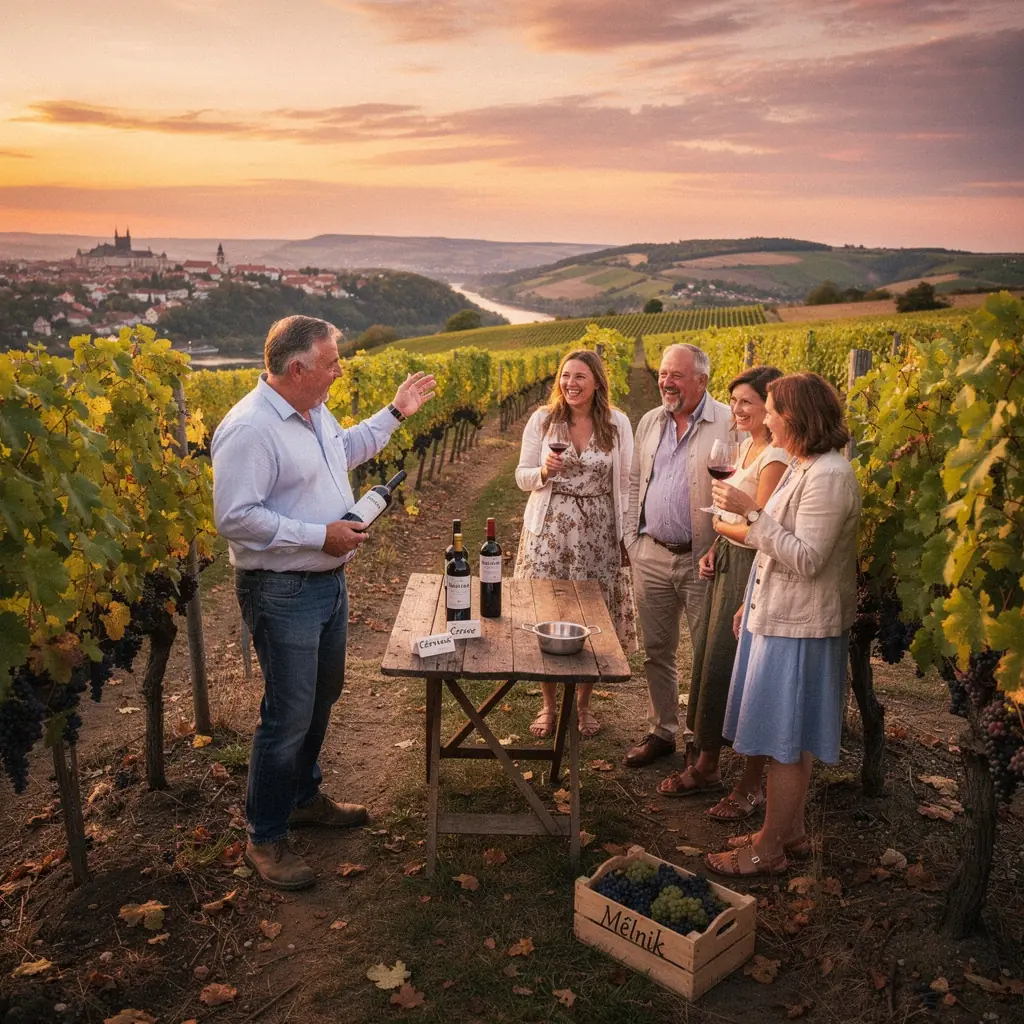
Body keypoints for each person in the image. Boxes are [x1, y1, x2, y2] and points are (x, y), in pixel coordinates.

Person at [211, 315, 436, 890]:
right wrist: (320, 537)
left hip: (327, 583)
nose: (340, 369)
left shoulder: (313, 410)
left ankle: (303, 797)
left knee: (321, 698)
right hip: (282, 589)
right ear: (297, 368)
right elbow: (235, 518)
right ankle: (263, 838)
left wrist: (395, 413)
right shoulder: (250, 429)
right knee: (287, 714)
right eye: (332, 361)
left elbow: (344, 450)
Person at [703, 372, 860, 877]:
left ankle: (767, 850)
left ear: (795, 416)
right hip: (781, 615)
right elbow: (777, 549)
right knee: (786, 737)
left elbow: (808, 558)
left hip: (803, 628)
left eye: (771, 409)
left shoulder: (830, 475)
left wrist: (751, 513)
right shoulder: (804, 463)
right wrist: (750, 601)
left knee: (785, 743)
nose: (765, 418)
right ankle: (787, 833)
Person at [657, 367, 787, 813]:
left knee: (740, 668)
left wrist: (719, 526)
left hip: (753, 569)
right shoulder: (746, 447)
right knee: (712, 660)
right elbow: (733, 520)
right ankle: (709, 763)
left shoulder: (775, 458)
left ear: (770, 407)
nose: (738, 409)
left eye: (748, 402)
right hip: (729, 563)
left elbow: (758, 528)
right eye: (733, 402)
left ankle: (747, 783)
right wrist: (716, 543)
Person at [513, 349, 637, 738]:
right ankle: (548, 706)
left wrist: (625, 535)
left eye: (580, 376)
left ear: (598, 382)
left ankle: (582, 706)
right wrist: (542, 473)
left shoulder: (617, 423)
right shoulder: (544, 420)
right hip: (549, 531)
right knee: (546, 612)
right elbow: (521, 475)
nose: (571, 383)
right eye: (566, 376)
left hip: (598, 531)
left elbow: (628, 483)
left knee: (592, 618)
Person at [622, 343, 732, 767]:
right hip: (650, 554)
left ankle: (701, 743)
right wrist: (633, 541)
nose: (666, 382)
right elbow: (635, 483)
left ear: (702, 380)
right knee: (657, 650)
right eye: (664, 374)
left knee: (707, 652)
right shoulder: (650, 420)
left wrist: (720, 547)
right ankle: (662, 730)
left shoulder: (727, 421)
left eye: (677, 375)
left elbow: (742, 488)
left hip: (704, 560)